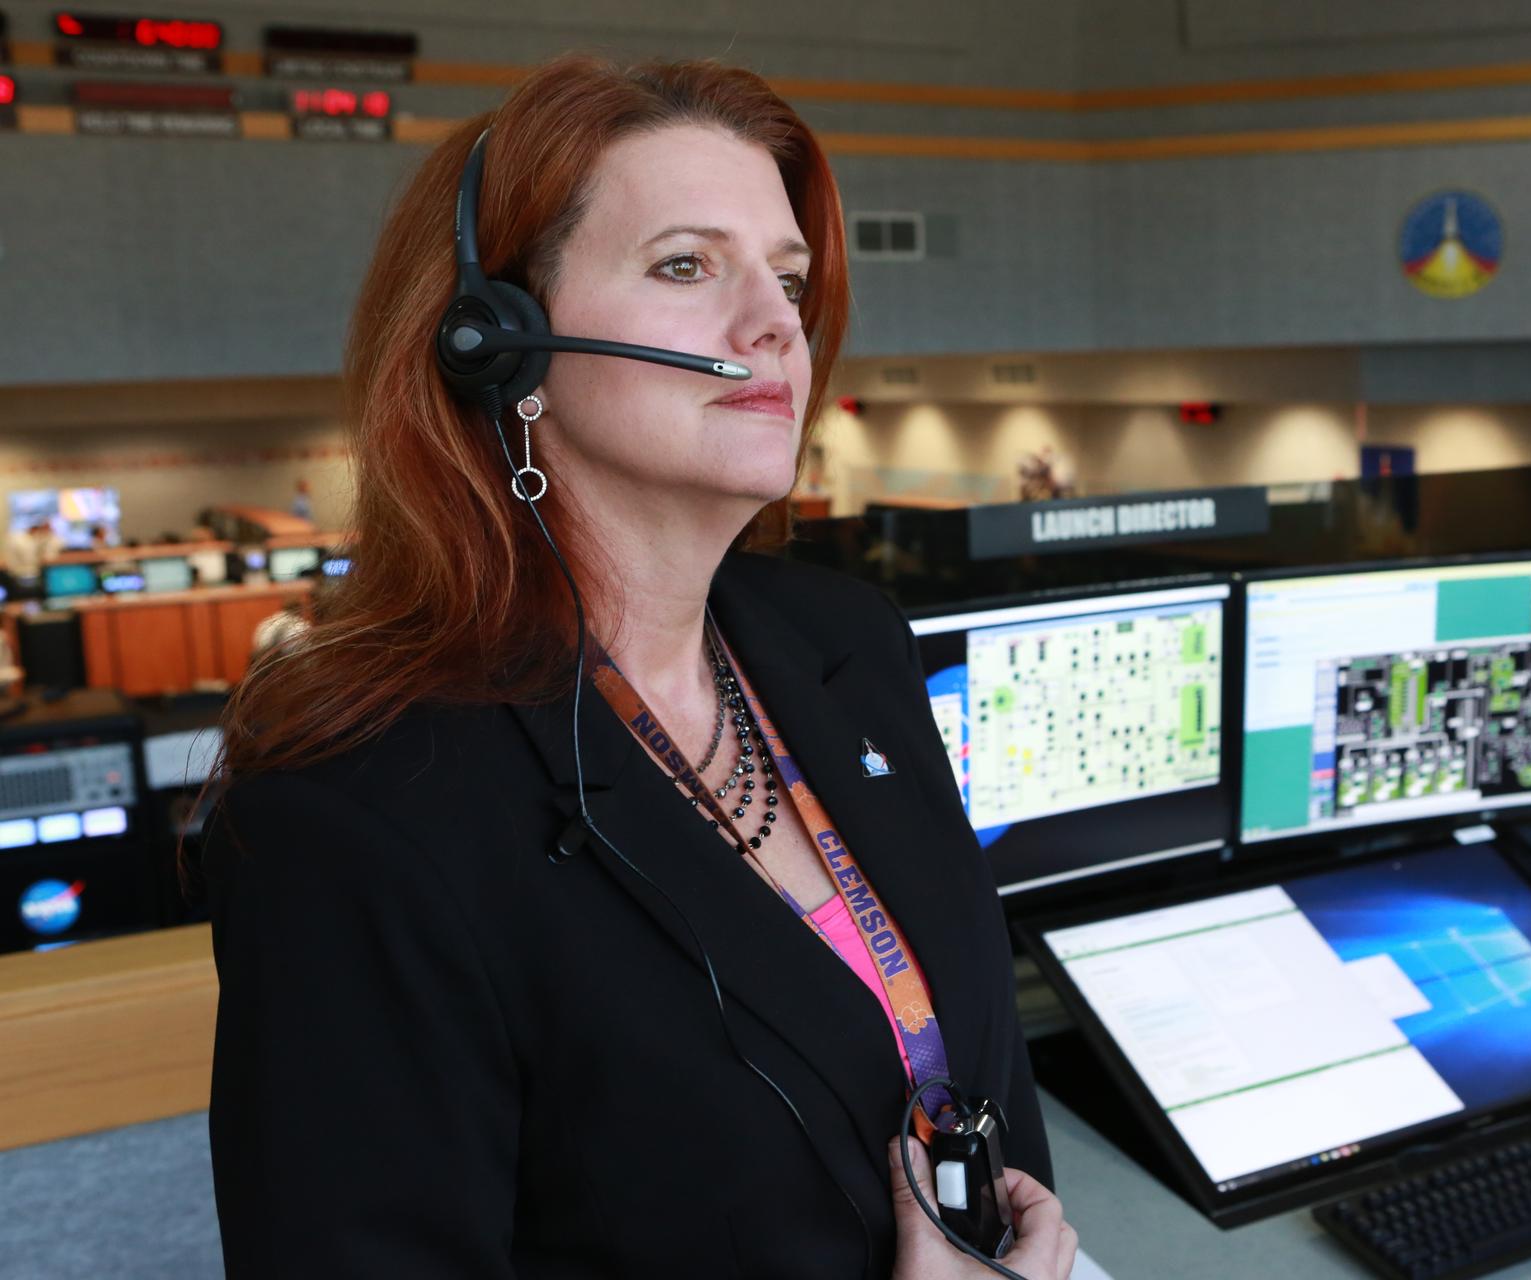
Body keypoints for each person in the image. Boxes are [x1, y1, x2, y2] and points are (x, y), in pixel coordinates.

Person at [204, 55, 1072, 1280]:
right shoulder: (353, 807)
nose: (776, 322)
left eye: (788, 278)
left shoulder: (847, 643)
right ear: (497, 346)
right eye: (686, 265)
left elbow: (977, 1060)